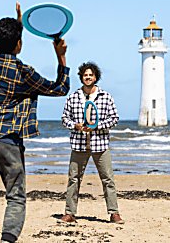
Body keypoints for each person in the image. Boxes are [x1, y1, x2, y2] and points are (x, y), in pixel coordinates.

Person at [0, 2, 70, 243]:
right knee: (15, 195)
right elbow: (60, 88)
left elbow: (8, 45)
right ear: (19, 44)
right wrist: (61, 57)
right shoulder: (24, 73)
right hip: (7, 140)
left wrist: (18, 23)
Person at [60, 62, 124, 224]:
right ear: (81, 77)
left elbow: (114, 118)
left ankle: (114, 213)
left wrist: (96, 126)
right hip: (78, 144)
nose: (88, 77)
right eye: (85, 75)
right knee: (74, 179)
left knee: (108, 179)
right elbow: (64, 118)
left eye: (91, 75)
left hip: (100, 144)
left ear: (96, 77)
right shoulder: (73, 97)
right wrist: (75, 125)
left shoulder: (105, 96)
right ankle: (69, 213)